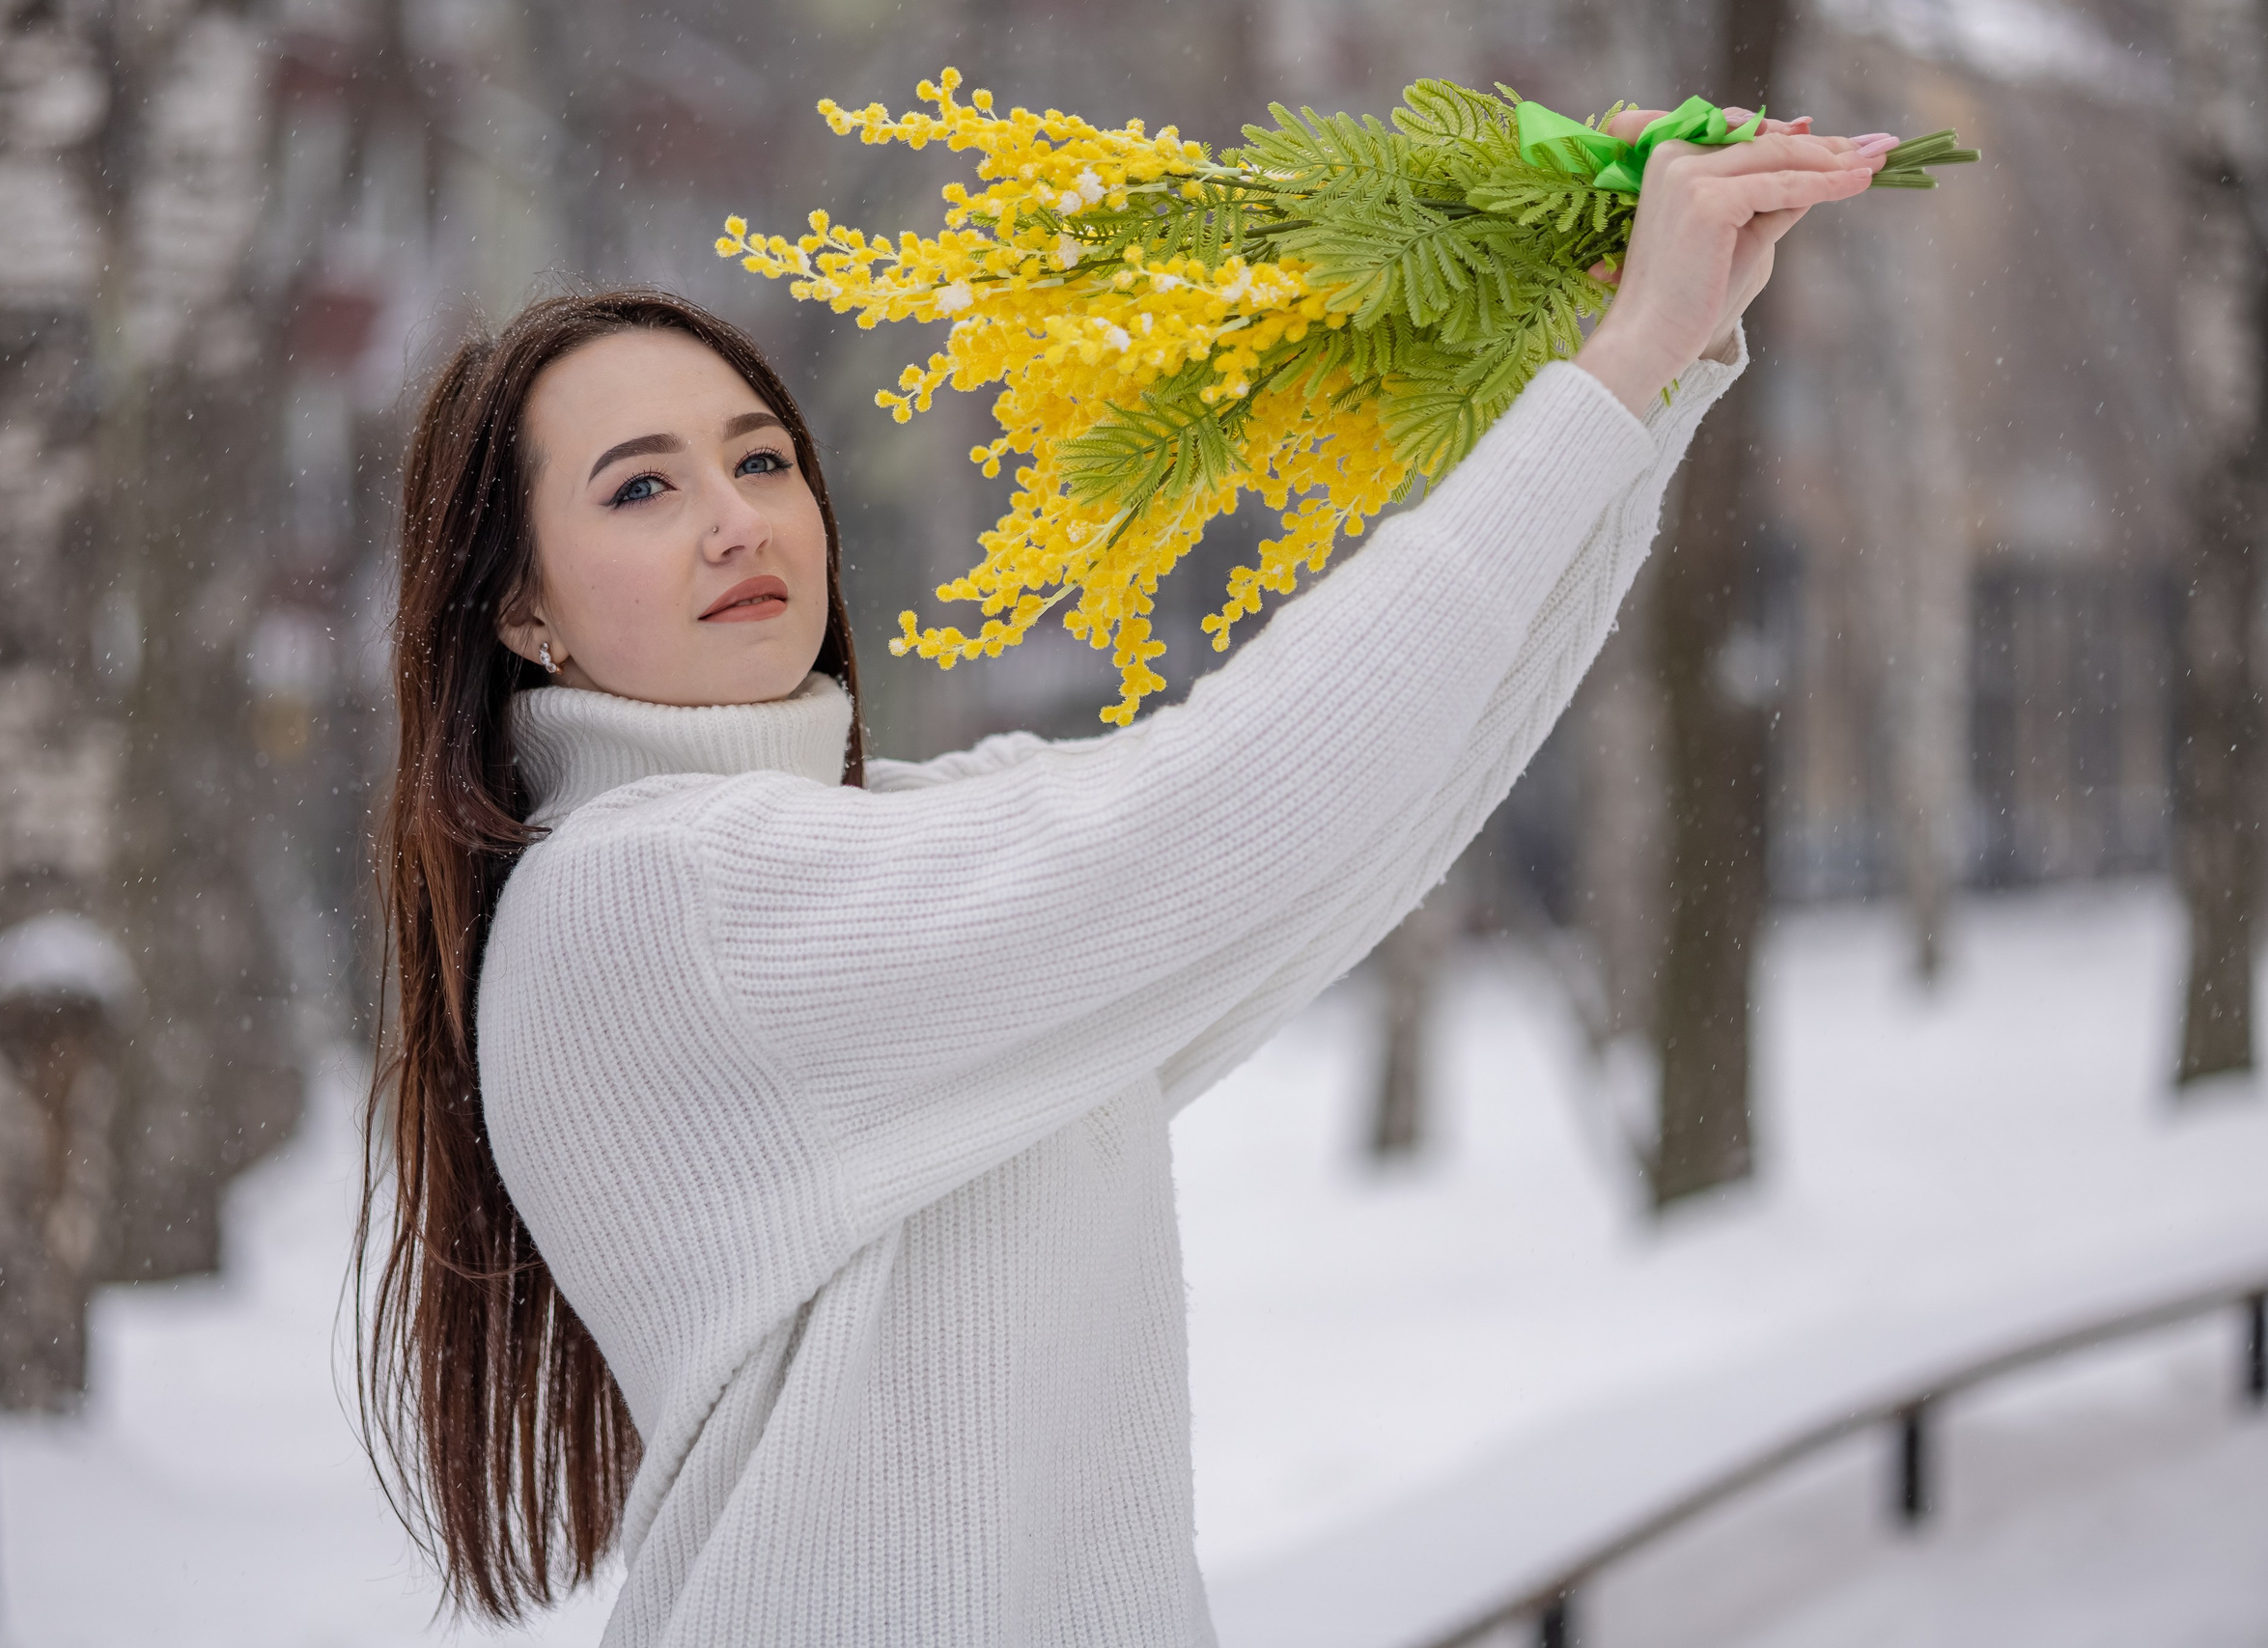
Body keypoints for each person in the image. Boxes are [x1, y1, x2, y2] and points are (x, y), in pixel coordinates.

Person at [359, 112, 1895, 1647]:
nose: (734, 520)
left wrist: (1657, 362)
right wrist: (1614, 367)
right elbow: (1230, 807)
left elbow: (1344, 825)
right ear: (522, 614)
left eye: (761, 458)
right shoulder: (656, 901)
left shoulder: (865, 859)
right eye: (641, 490)